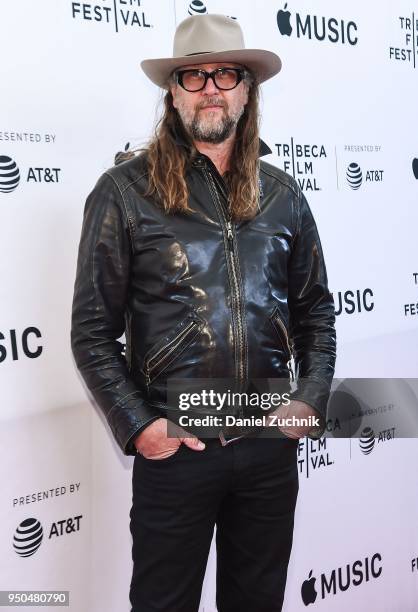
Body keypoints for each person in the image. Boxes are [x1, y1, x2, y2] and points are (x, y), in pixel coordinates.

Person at [71, 13, 336, 612]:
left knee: (258, 601)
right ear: (173, 91)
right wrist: (140, 425)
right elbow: (91, 331)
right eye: (194, 75)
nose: (210, 87)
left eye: (225, 74)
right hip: (177, 451)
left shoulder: (283, 195)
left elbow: (316, 314)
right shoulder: (123, 192)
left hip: (268, 448)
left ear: (248, 88)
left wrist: (311, 398)